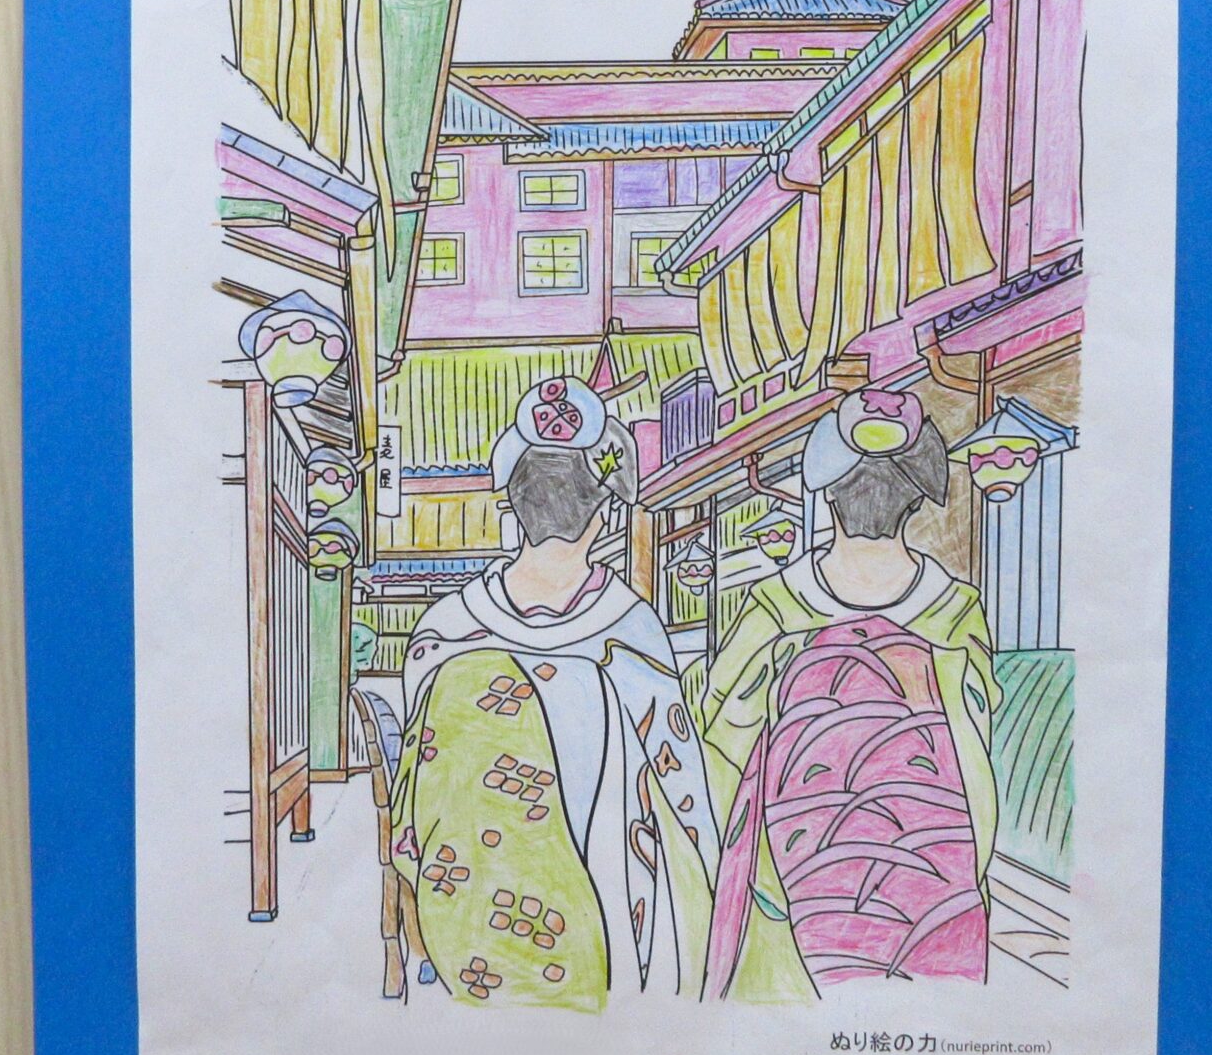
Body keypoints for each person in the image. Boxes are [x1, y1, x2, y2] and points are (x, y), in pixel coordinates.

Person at [392, 376, 715, 1008]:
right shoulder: (630, 629)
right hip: (607, 927)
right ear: (606, 512)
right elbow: (684, 791)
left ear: (513, 505)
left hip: (462, 917)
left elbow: (415, 784)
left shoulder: (444, 629)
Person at [702, 387, 999, 998]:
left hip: (791, 876)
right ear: (917, 496)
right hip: (938, 882)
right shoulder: (956, 613)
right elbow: (980, 750)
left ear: (827, 491)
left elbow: (720, 738)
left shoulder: (774, 609)